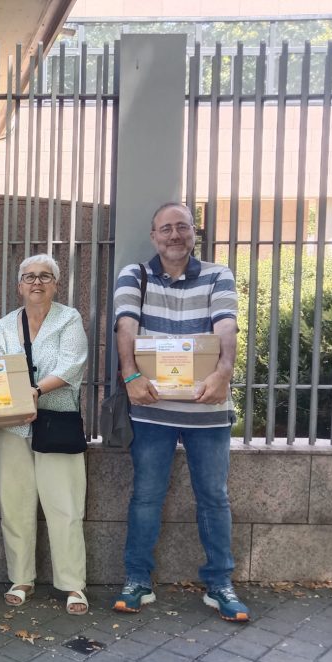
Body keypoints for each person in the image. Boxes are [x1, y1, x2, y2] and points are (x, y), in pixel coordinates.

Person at [112, 202, 249, 623]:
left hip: (207, 408)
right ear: (153, 236)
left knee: (214, 498)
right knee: (146, 497)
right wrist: (130, 376)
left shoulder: (218, 274)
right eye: (166, 229)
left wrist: (224, 373)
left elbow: (226, 326)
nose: (175, 235)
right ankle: (137, 580)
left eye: (182, 228)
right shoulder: (134, 274)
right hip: (152, 409)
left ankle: (220, 584)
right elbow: (125, 326)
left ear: (195, 233)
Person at [0, 254, 89, 615]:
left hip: (56, 421)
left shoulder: (69, 318)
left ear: (56, 285)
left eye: (45, 276)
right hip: (12, 427)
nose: (37, 282)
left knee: (65, 505)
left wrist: (35, 391)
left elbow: (72, 363)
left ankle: (73, 584)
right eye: (29, 277)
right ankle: (21, 578)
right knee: (15, 504)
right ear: (19, 286)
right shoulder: (1, 327)